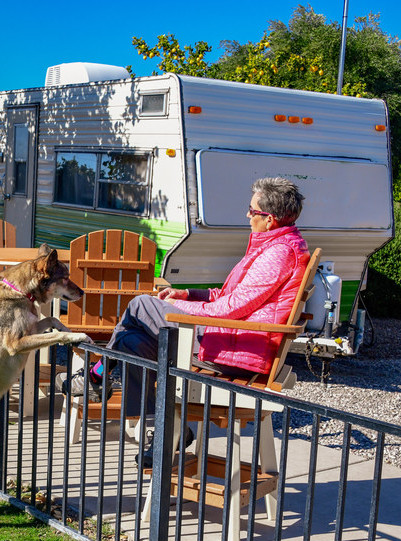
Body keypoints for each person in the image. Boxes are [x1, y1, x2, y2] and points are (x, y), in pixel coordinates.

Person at [56, 176, 311, 467]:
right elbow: (228, 296)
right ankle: (165, 428)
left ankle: (98, 376)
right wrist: (187, 293)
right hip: (231, 337)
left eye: (252, 211)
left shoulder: (278, 254)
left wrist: (178, 305)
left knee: (140, 304)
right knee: (130, 342)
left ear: (270, 219)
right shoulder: (273, 246)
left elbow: (232, 308)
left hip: (235, 349)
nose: (247, 215)